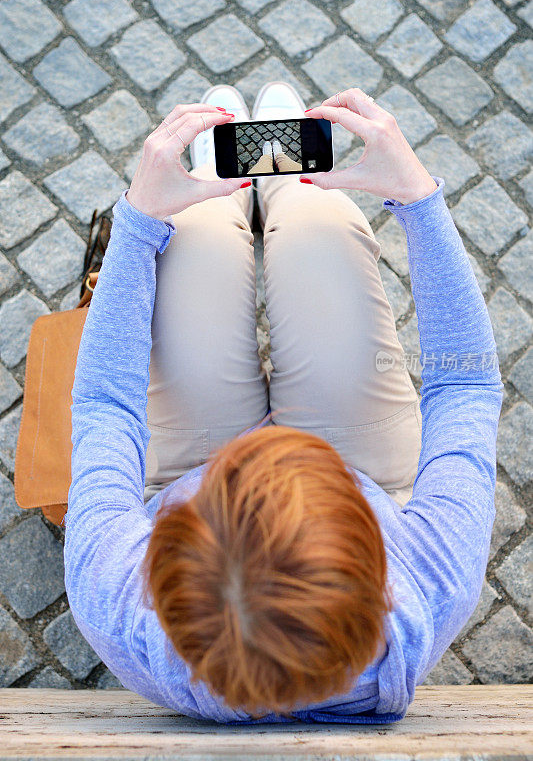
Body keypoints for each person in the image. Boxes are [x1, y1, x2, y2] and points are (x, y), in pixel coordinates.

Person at [63, 81, 503, 724]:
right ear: (379, 565)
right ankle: (275, 182)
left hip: (182, 468)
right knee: (319, 224)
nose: (264, 441)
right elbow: (464, 387)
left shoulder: (115, 605)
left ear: (163, 568)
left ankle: (237, 180)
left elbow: (106, 402)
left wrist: (140, 221)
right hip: (368, 468)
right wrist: (417, 198)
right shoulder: (428, 588)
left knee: (200, 233)